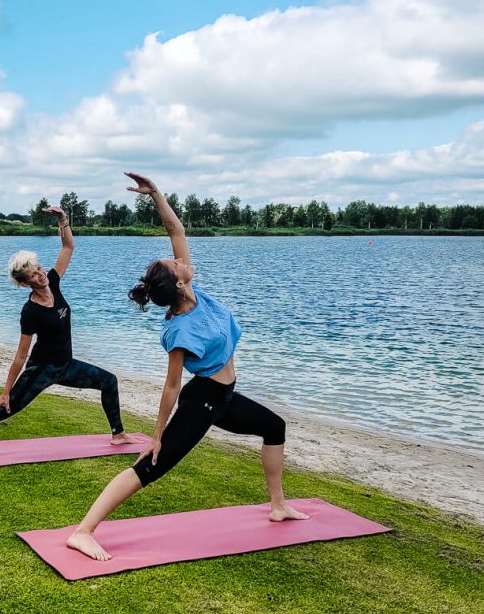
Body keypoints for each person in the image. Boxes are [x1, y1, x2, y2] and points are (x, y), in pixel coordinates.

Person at [67, 173, 309, 561]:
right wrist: (157, 434)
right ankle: (83, 531)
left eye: (179, 259)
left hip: (224, 395)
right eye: (176, 264)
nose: (182, 260)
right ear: (177, 284)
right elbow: (171, 387)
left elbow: (174, 229)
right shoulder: (179, 330)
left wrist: (155, 194)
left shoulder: (192, 292)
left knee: (274, 427)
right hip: (203, 400)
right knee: (151, 467)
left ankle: (278, 506)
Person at [0, 205, 131, 465]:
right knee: (2, 410)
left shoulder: (54, 283)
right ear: (25, 283)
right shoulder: (30, 311)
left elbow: (68, 248)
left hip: (66, 366)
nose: (40, 274)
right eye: (33, 275)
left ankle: (118, 433)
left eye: (39, 268)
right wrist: (5, 391)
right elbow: (20, 356)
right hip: (41, 370)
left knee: (109, 381)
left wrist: (63, 220)